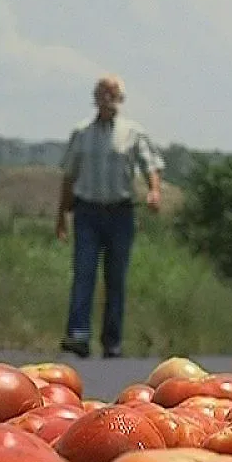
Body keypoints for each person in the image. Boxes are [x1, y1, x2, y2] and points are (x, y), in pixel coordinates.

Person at [57, 74, 163, 358]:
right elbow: (69, 175)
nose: (107, 99)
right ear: (95, 98)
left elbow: (150, 165)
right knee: (84, 272)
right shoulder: (82, 133)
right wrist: (61, 216)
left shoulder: (132, 133)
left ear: (120, 99)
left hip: (120, 212)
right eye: (102, 93)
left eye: (112, 94)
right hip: (87, 210)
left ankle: (112, 340)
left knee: (115, 277)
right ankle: (78, 334)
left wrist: (154, 191)